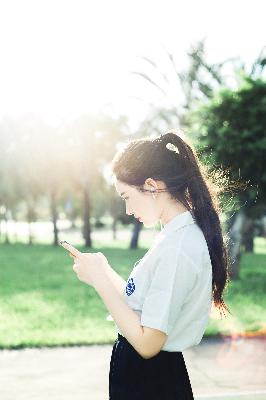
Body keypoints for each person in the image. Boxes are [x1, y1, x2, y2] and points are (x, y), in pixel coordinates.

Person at [107, 129, 231, 399]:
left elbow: (148, 344)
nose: (127, 210)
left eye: (127, 197)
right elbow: (139, 307)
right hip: (149, 376)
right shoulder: (174, 237)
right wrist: (102, 272)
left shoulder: (178, 247)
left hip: (149, 380)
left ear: (151, 186)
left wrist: (99, 284)